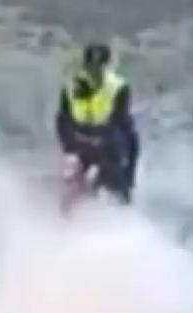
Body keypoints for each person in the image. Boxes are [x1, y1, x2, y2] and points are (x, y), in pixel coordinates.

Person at [56, 42, 140, 203]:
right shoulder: (70, 87)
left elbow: (119, 121)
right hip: (79, 139)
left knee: (116, 178)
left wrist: (101, 142)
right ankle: (66, 217)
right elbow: (63, 119)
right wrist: (70, 146)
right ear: (85, 65)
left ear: (106, 65)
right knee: (71, 179)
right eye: (91, 65)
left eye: (99, 65)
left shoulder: (119, 87)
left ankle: (121, 205)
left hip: (110, 141)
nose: (95, 70)